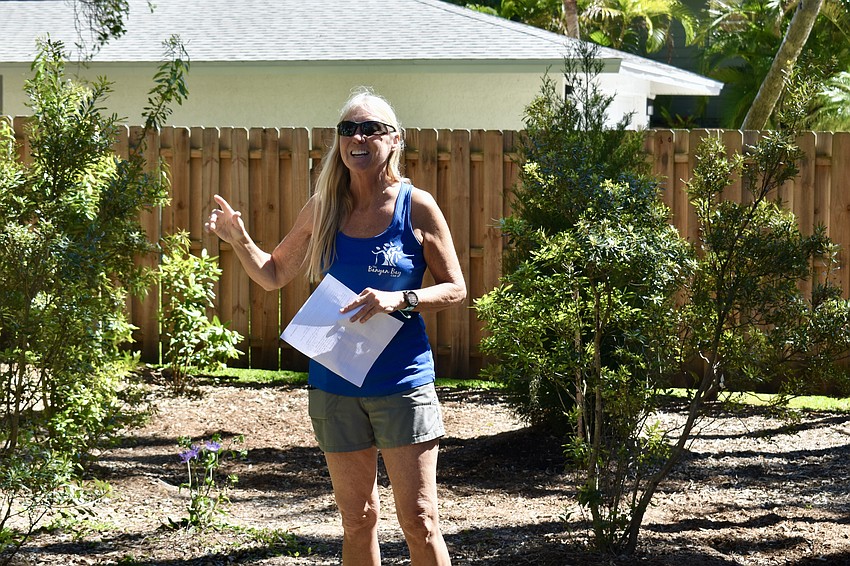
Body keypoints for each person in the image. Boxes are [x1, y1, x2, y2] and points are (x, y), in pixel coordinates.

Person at [204, 88, 465, 565]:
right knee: (358, 519)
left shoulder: (417, 206)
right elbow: (273, 274)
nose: (357, 138)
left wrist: (399, 299)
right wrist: (238, 238)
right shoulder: (323, 207)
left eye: (370, 129)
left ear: (395, 140)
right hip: (334, 384)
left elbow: (455, 289)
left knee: (420, 519)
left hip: (402, 383)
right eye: (348, 129)